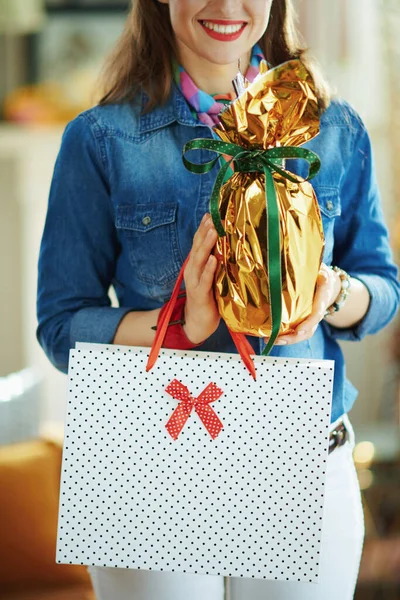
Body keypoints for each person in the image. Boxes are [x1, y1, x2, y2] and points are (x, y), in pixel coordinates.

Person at [36, 1, 400, 599]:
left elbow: (382, 288)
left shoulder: (337, 131)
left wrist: (333, 292)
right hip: (153, 467)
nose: (227, 6)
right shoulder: (99, 139)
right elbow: (59, 326)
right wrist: (174, 325)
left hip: (302, 466)